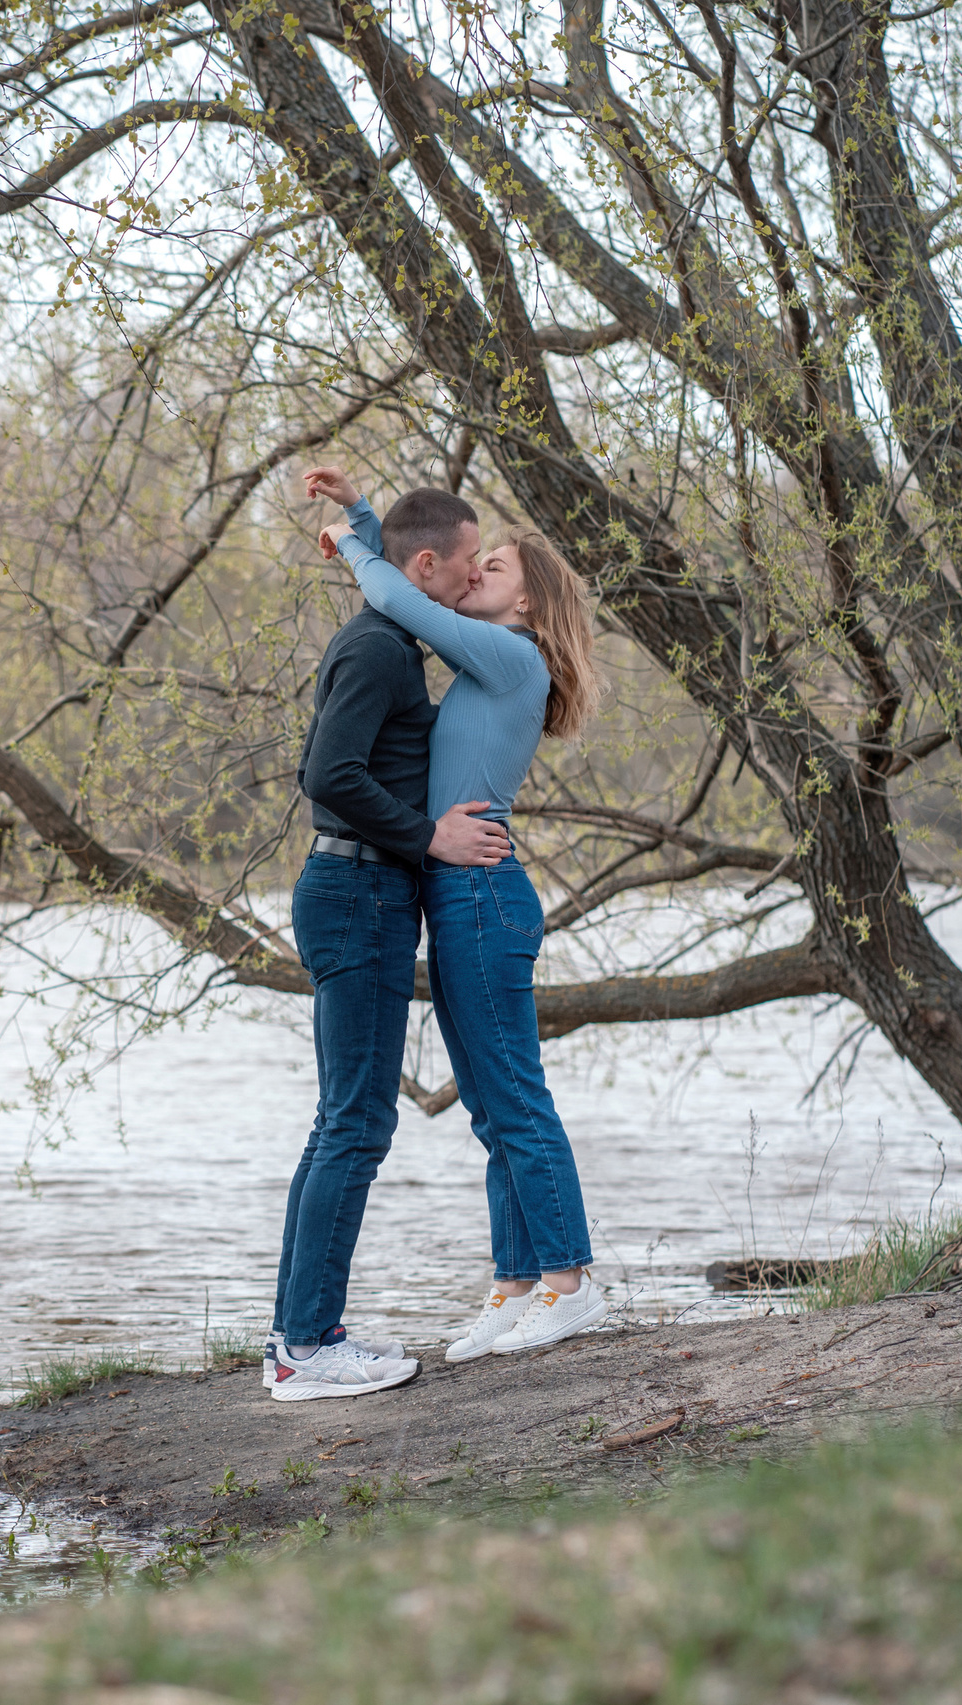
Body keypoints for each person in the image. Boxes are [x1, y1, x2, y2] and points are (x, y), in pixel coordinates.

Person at [307, 467, 611, 1361]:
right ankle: (516, 1286)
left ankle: (571, 1282)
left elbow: (405, 595)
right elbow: (420, 571)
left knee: (513, 1094)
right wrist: (365, 514)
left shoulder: (514, 656)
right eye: (478, 562)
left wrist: (354, 538)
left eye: (497, 568)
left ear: (530, 602)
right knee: (487, 1103)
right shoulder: (491, 657)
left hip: (482, 897)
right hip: (459, 896)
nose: (476, 574)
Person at [262, 485, 512, 1402]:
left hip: (358, 889)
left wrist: (359, 518)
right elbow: (326, 775)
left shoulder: (385, 640)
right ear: (427, 566)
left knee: (341, 1120)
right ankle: (306, 1347)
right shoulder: (377, 647)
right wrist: (427, 835)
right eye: (469, 561)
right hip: (359, 890)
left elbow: (318, 764)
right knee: (358, 1123)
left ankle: (299, 1335)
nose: (474, 577)